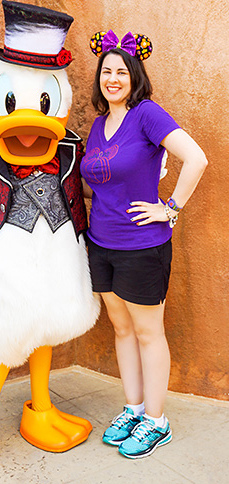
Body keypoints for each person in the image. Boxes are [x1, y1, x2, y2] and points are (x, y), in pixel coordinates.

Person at [81, 30, 208, 459]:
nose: (112, 78)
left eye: (121, 72)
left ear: (135, 76)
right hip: (102, 243)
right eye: (106, 72)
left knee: (149, 333)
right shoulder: (99, 124)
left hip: (142, 245)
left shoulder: (147, 114)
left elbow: (197, 158)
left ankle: (157, 422)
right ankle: (134, 409)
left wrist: (169, 208)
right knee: (121, 328)